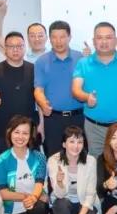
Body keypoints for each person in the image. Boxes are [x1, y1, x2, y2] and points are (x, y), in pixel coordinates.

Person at [72, 22, 117, 157]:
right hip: (94, 127)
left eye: (108, 37)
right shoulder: (83, 63)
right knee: (97, 163)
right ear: (94, 41)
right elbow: (75, 90)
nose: (104, 42)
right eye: (99, 38)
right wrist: (86, 97)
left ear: (115, 40)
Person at [0, 116, 50, 214]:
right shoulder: (0, 160)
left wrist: (34, 197)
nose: (20, 137)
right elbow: (3, 193)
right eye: (17, 132)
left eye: (25, 133)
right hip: (13, 210)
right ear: (10, 133)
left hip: (34, 205)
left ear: (30, 135)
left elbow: (39, 183)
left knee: (40, 206)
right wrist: (27, 196)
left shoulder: (39, 157)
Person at [35, 20, 85, 157]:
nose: (58, 41)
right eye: (54, 37)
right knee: (54, 158)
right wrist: (43, 103)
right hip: (53, 119)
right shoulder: (41, 61)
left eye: (62, 37)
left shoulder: (81, 59)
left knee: (79, 158)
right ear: (49, 38)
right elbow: (38, 90)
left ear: (69, 37)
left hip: (79, 118)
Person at [0, 31, 37, 154]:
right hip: (4, 129)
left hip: (28, 129)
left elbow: (39, 95)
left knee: (30, 163)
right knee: (5, 163)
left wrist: (41, 124)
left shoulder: (33, 69)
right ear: (5, 49)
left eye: (19, 46)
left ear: (24, 47)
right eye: (11, 46)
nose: (15, 50)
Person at [46, 126, 97, 214]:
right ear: (64, 144)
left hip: (83, 200)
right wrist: (59, 182)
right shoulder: (54, 160)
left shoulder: (90, 161)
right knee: (60, 205)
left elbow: (90, 193)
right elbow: (59, 195)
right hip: (65, 199)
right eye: (72, 141)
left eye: (80, 142)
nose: (76, 146)